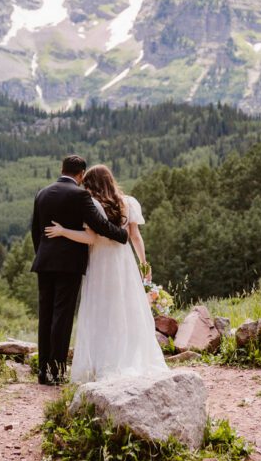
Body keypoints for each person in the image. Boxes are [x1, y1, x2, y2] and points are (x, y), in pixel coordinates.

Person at [43, 164, 168, 383]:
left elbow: (90, 238)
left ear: (91, 184)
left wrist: (63, 231)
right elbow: (135, 236)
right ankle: (129, 357)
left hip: (100, 261)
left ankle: (103, 361)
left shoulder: (91, 205)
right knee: (126, 308)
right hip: (124, 261)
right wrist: (144, 262)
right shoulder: (128, 202)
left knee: (100, 310)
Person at [30, 155, 129, 385]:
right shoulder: (79, 195)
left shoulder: (42, 193)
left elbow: (35, 231)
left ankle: (43, 371)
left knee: (45, 316)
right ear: (81, 174)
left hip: (44, 262)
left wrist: (43, 254)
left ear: (61, 169)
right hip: (68, 264)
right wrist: (122, 235)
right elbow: (99, 225)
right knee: (62, 317)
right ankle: (56, 371)